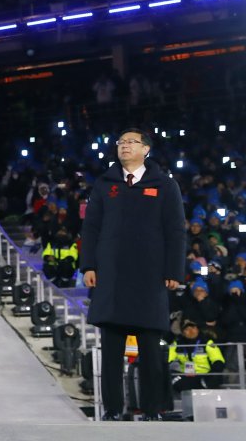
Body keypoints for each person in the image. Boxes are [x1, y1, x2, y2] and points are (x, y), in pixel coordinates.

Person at [79, 128, 185, 421]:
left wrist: (174, 270)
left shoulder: (164, 185)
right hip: (111, 277)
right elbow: (91, 228)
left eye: (131, 142)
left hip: (149, 277)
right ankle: (113, 410)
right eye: (121, 142)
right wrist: (88, 265)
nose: (124, 146)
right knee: (111, 352)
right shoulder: (104, 184)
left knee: (151, 351)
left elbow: (175, 231)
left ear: (146, 149)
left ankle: (153, 409)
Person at [167, 319, 225, 394]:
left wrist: (208, 376)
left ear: (197, 329)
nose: (191, 331)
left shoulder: (207, 342)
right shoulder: (177, 344)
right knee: (169, 375)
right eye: (187, 329)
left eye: (193, 328)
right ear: (183, 332)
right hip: (185, 376)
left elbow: (218, 360)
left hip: (204, 375)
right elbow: (168, 359)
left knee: (215, 376)